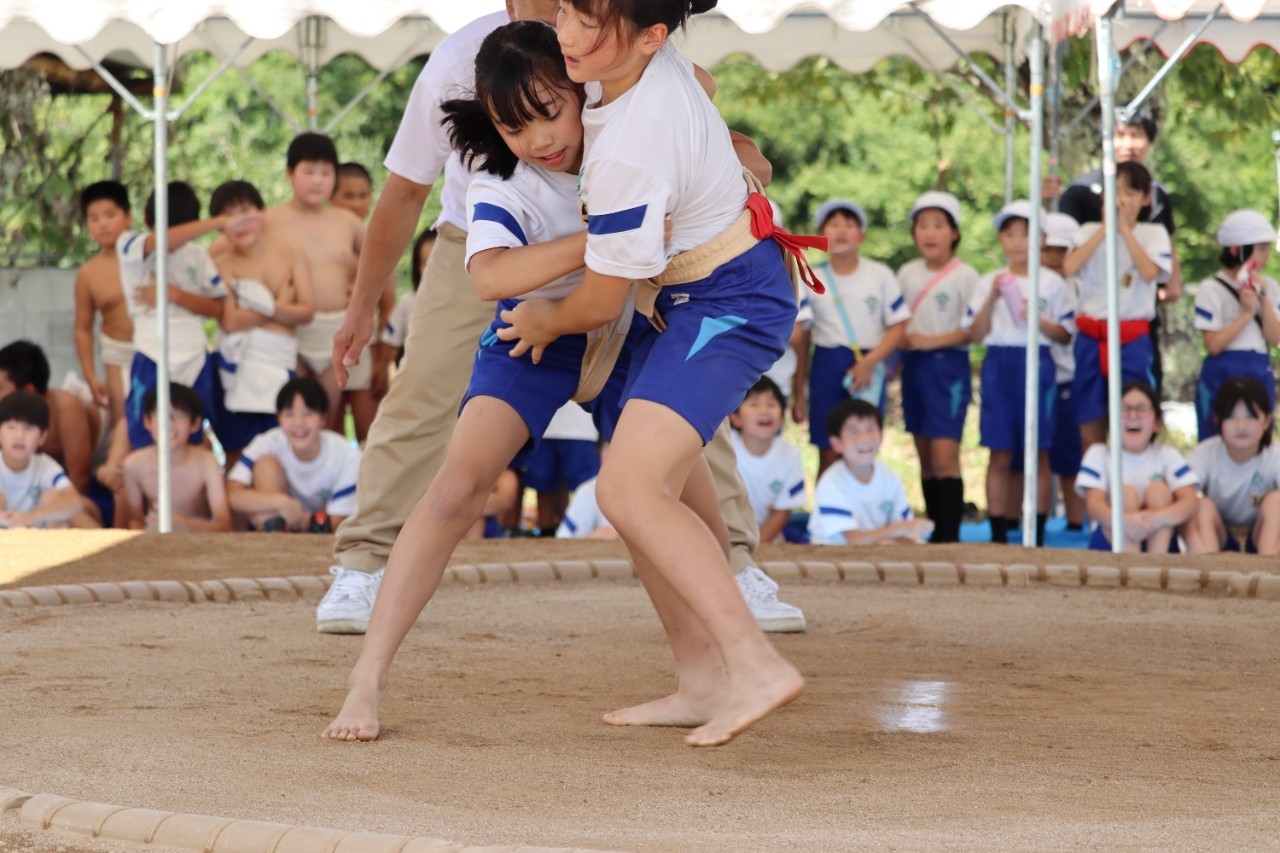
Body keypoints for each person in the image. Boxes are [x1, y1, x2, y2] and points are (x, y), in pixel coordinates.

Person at [318, 0, 803, 640]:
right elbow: (407, 189)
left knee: (674, 404)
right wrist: (360, 307)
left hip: (629, 244)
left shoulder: (606, 37)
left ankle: (731, 562)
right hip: (491, 242)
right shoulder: (461, 55)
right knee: (424, 391)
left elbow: (693, 97)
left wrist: (736, 160)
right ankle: (364, 560)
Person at [498, 0, 810, 747]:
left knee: (627, 487)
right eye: (566, 15)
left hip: (731, 298)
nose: (566, 38)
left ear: (649, 36)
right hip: (705, 288)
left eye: (587, 26)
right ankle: (701, 680)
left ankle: (753, 663)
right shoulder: (652, 65)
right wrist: (725, 161)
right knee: (645, 487)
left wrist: (543, 319)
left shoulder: (629, 151)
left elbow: (603, 297)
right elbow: (699, 83)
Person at [323, 19, 627, 740]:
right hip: (532, 325)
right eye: (517, 125)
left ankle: (726, 629)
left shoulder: (621, 87)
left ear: (582, 84)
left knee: (658, 485)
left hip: (631, 321)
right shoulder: (495, 165)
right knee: (454, 478)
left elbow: (702, 104)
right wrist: (607, 235)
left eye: (552, 111)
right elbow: (482, 267)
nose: (543, 136)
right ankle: (365, 671)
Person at [964, 200, 1074, 546]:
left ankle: (1036, 532)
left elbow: (1066, 333)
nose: (1016, 241)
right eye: (1009, 233)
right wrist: (994, 298)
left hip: (1038, 362)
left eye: (1025, 234)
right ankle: (998, 532)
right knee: (1000, 450)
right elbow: (975, 333)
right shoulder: (988, 281)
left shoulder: (1053, 283)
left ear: (1041, 239)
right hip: (999, 363)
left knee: (1038, 450)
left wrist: (1036, 319)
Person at [269, 134, 388, 443]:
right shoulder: (269, 220)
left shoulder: (347, 223)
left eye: (326, 172)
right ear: (289, 173)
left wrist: (363, 293)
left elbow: (383, 265)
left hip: (339, 329)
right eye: (309, 172)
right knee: (303, 425)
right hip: (290, 332)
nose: (318, 181)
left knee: (334, 428)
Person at [1051, 110, 1181, 391]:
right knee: (1089, 404)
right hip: (1089, 323)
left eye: (1137, 136)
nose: (1128, 144)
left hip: (1135, 323)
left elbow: (1165, 247)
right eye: (1121, 135)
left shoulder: (1158, 197)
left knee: (1137, 399)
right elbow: (1065, 259)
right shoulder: (1080, 191)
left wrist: (1173, 282)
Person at [117, 181, 240, 449]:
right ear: (147, 219)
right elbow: (162, 241)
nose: (177, 238)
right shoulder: (130, 245)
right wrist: (220, 221)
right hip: (152, 353)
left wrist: (174, 293)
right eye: (171, 227)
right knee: (143, 432)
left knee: (192, 434)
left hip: (194, 355)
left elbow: (217, 308)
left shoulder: (197, 255)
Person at [1063, 161, 1172, 454]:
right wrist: (1106, 228)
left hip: (1131, 339)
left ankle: (1133, 491)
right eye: (1116, 190)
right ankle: (1097, 489)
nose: (1122, 198)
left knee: (1134, 419)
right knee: (1089, 421)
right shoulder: (1087, 231)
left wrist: (1125, 230)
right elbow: (1070, 267)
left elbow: (1152, 273)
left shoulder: (1153, 234)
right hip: (1090, 337)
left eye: (1130, 191)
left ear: (1145, 198)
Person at [209, 179, 316, 463]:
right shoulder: (222, 265)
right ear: (219, 226)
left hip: (279, 361)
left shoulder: (291, 253)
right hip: (237, 366)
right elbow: (231, 322)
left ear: (263, 213)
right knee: (236, 453)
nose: (239, 223)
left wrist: (253, 307)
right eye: (229, 217)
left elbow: (306, 311)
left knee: (283, 449)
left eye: (245, 211)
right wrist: (276, 304)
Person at [801, 199, 909, 474]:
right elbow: (802, 336)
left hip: (869, 365)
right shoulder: (810, 275)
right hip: (826, 364)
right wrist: (799, 389)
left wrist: (871, 361)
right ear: (821, 233)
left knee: (864, 446)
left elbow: (899, 325)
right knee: (827, 449)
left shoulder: (880, 274)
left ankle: (863, 512)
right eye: (833, 223)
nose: (841, 230)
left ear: (862, 235)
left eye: (849, 224)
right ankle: (829, 513)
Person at [896, 191, 979, 543]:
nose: (930, 233)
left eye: (938, 225)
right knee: (924, 454)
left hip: (948, 367)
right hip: (913, 366)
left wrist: (933, 340)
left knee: (946, 455)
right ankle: (934, 530)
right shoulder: (906, 272)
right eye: (923, 225)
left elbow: (975, 329)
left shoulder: (966, 275)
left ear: (954, 232)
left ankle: (950, 536)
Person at [1075, 381, 1198, 553]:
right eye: (1124, 409)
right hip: (1112, 542)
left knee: (1158, 492)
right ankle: (1132, 570)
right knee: (1125, 495)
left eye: (1141, 409)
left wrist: (1154, 520)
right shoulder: (1099, 454)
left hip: (1161, 541)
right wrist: (1125, 522)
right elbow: (1093, 504)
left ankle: (1155, 568)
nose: (1133, 415)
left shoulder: (1166, 455)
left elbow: (1190, 501)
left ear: (1157, 423)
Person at [226, 378, 361, 533]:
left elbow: (338, 522)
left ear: (324, 418)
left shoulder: (347, 456)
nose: (299, 423)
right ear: (278, 419)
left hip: (325, 539)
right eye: (289, 414)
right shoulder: (268, 443)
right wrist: (281, 503)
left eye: (308, 413)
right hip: (283, 521)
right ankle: (275, 535)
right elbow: (233, 494)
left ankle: (274, 526)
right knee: (265, 465)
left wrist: (300, 517)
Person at [1192, 210, 1280, 441]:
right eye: (1260, 249)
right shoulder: (1210, 288)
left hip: (1258, 365)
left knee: (1259, 438)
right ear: (1236, 249)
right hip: (1223, 369)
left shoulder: (1270, 286)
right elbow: (1213, 344)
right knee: (1216, 434)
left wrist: (1264, 299)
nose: (1265, 257)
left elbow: (1275, 336)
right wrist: (1246, 314)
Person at [809, 398, 933, 545]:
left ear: (881, 436)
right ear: (836, 443)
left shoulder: (889, 477)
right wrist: (902, 528)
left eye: (870, 429)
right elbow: (853, 539)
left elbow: (906, 533)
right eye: (853, 432)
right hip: (830, 561)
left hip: (874, 557)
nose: (864, 438)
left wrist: (909, 533)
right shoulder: (831, 482)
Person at [1181, 378, 1280, 555]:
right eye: (1232, 417)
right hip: (1219, 537)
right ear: (1217, 421)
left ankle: (1271, 571)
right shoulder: (1205, 453)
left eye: (1250, 417)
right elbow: (1180, 493)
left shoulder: (1275, 456)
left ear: (1266, 421)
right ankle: (1207, 571)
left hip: (1260, 539)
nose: (1241, 426)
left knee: (1276, 502)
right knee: (1198, 505)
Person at [123, 383, 231, 532]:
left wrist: (184, 525)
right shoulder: (133, 464)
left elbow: (224, 525)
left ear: (195, 424)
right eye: (161, 415)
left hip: (198, 542)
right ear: (147, 421)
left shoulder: (207, 462)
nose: (169, 424)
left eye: (179, 416)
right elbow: (134, 519)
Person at [0, 340, 100, 498]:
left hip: (97, 466)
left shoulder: (66, 409)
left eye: (0, 388)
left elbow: (80, 481)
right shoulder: (5, 413)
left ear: (28, 391)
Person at [74, 180, 135, 426]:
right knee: (124, 423)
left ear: (128, 217)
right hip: (118, 355)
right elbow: (82, 328)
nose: (102, 224)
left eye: (110, 215)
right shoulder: (88, 273)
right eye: (94, 218)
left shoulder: (152, 255)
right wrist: (90, 375)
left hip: (159, 347)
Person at [1042, 211, 1086, 533]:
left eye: (1062, 250)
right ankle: (1029, 521)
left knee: (1070, 454)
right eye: (1048, 249)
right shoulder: (1026, 282)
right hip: (1033, 379)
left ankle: (1074, 524)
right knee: (1034, 451)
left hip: (1070, 379)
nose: (1055, 258)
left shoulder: (1083, 287)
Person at [728, 376, 807, 545]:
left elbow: (782, 512)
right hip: (723, 535)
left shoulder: (790, 454)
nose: (764, 411)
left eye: (771, 404)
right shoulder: (725, 446)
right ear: (735, 418)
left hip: (766, 540)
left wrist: (758, 545)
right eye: (754, 404)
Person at [0, 392, 95, 529]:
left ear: (42, 437)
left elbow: (75, 501)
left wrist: (32, 517)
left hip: (37, 535)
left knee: (53, 497)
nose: (19, 436)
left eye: (28, 428)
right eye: (11, 427)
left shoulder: (45, 466)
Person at [521, 401, 600, 535]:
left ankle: (587, 531)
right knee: (543, 483)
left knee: (586, 486)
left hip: (581, 427)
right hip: (543, 424)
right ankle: (547, 534)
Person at [381, 228, 435, 370]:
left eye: (437, 262)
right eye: (425, 262)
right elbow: (392, 343)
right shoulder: (407, 301)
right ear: (417, 267)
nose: (432, 268)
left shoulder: (466, 303)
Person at [555, 440, 616, 539]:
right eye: (610, 449)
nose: (617, 457)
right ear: (599, 451)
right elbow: (564, 541)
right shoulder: (588, 491)